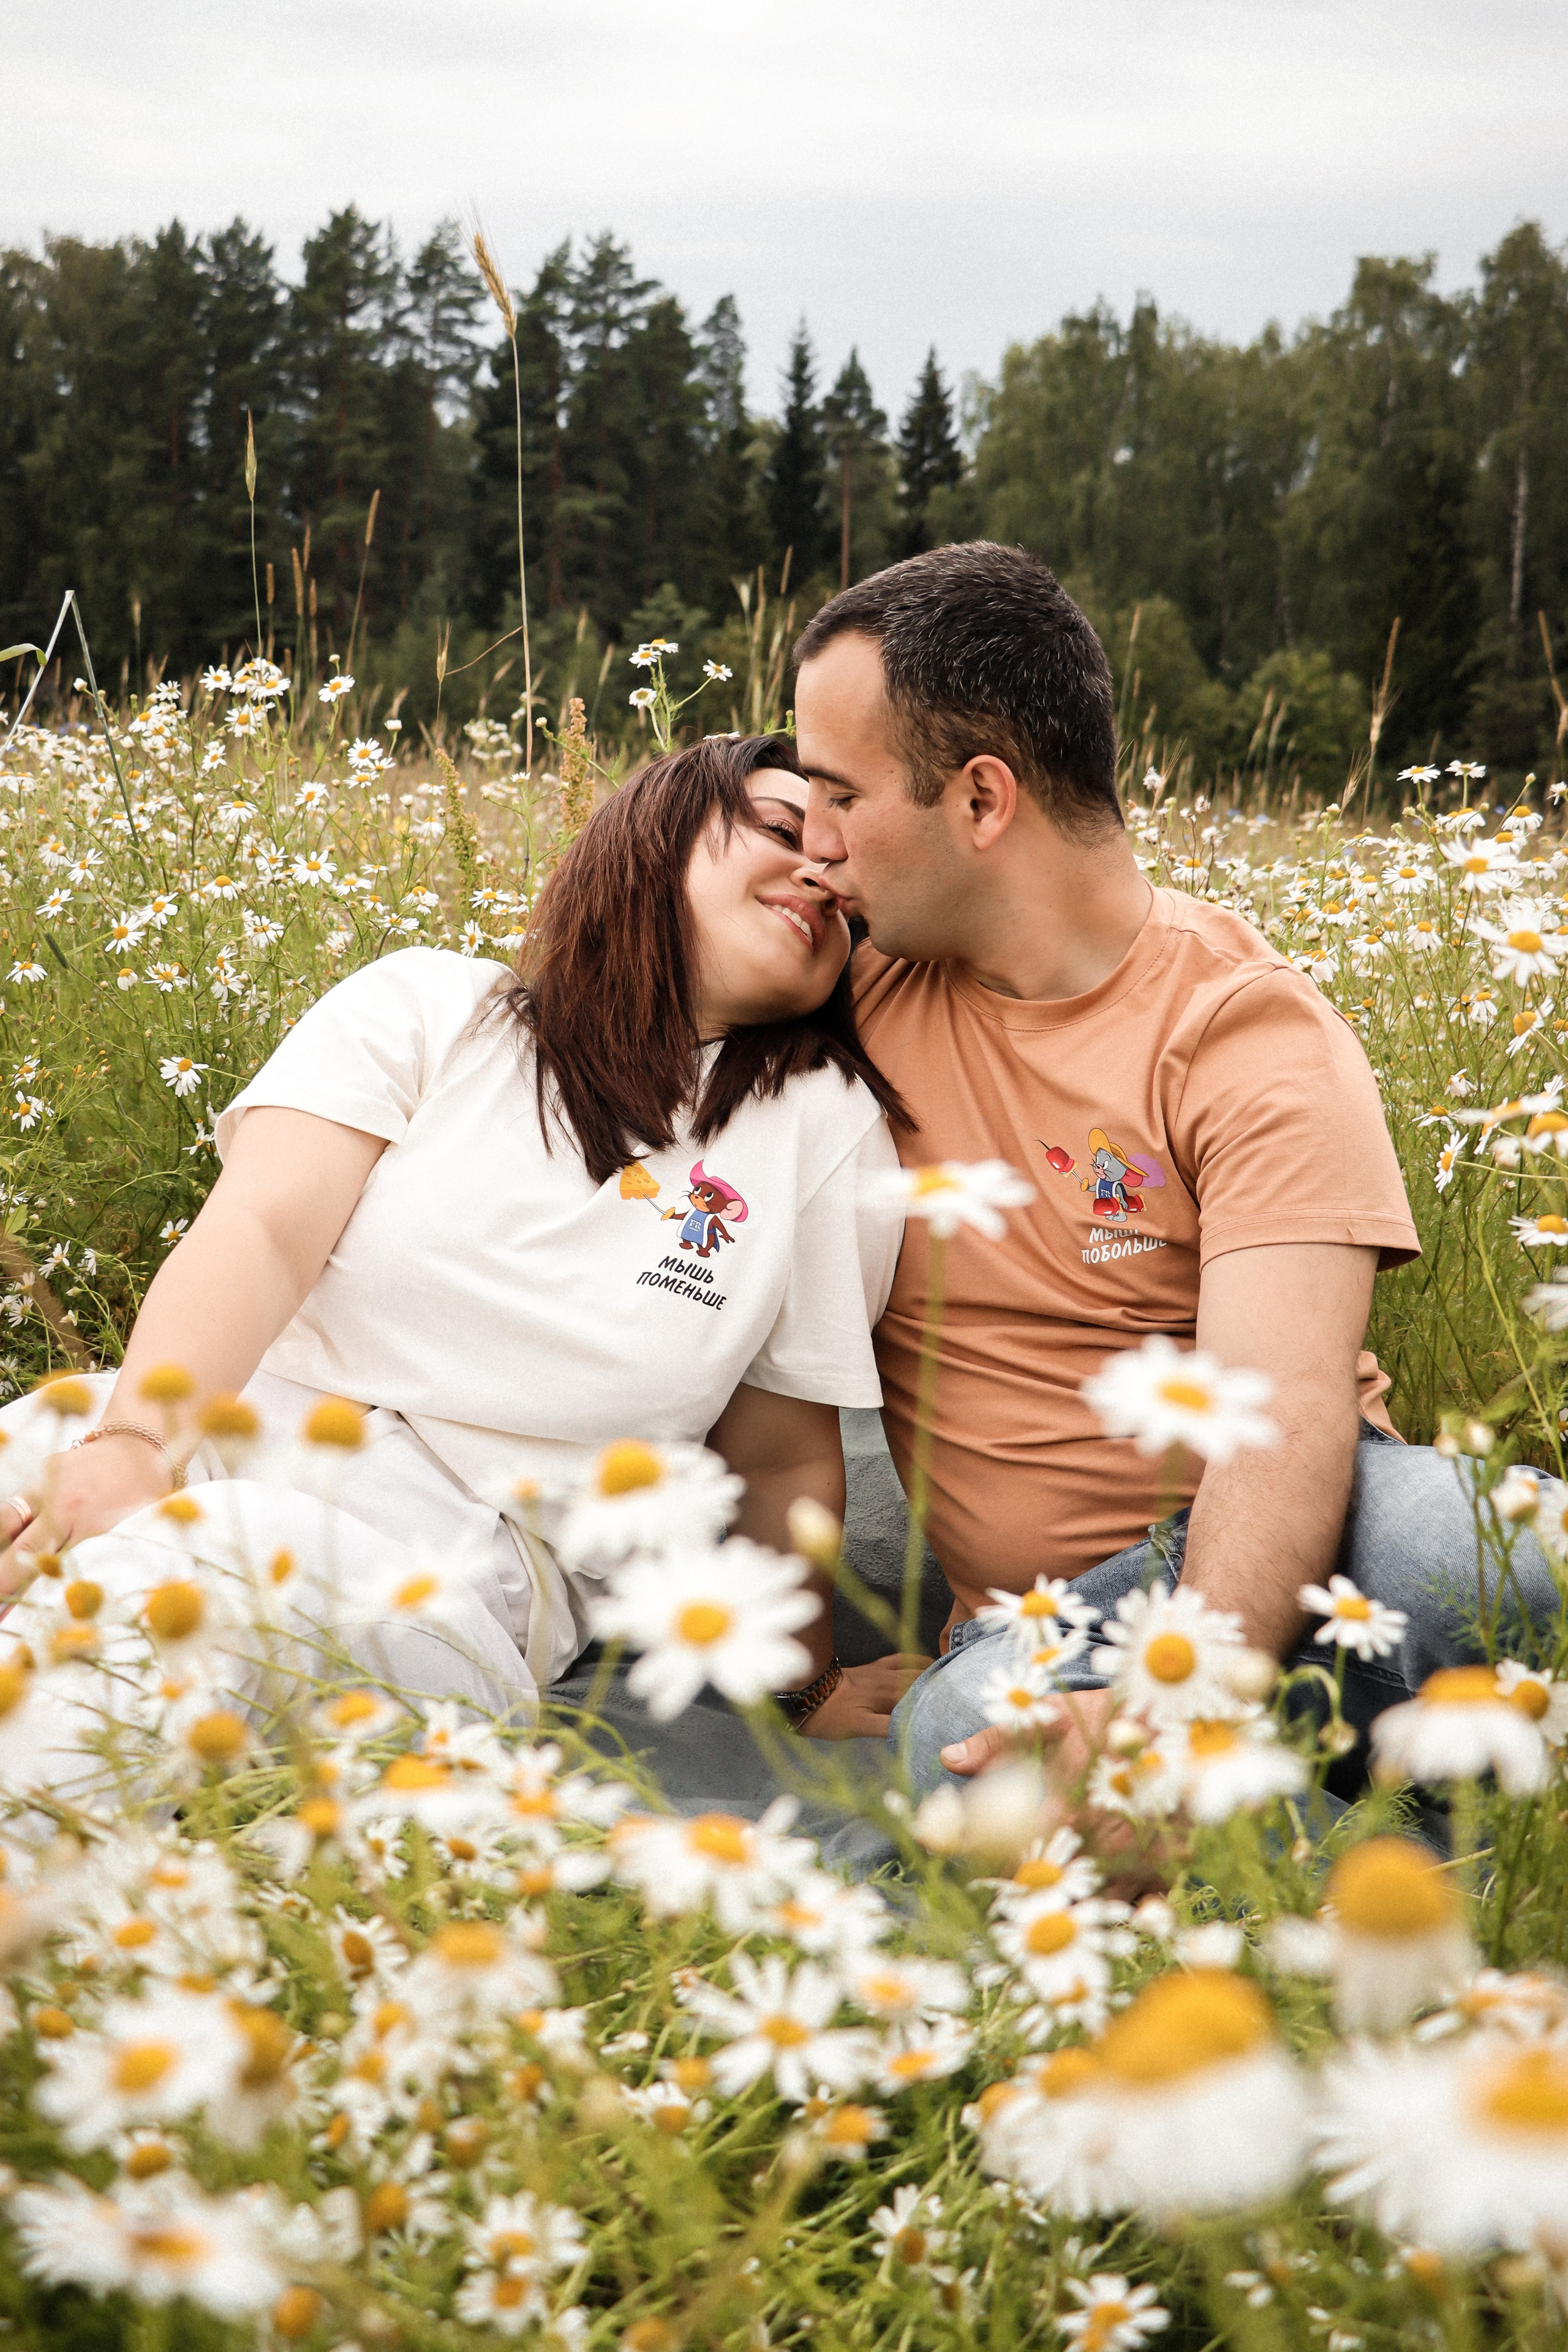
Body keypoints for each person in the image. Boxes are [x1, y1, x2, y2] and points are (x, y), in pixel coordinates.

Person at [0, 734, 923, 1804]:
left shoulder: (820, 1128)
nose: (822, 875)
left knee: (217, 1560)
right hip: (202, 1436)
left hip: (453, 1575)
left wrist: (806, 1685)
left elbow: (779, 1464)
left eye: (851, 896)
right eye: (780, 828)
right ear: (660, 827)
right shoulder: (432, 1009)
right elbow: (260, 1231)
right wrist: (129, 1448)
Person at [792, 541, 1560, 1806]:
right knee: (967, 1746)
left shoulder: (1244, 1031)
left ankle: (1287, 1766)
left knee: (1524, 1559)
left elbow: (1283, 1421)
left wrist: (1173, 1708)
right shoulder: (849, 980)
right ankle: (1357, 1786)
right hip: (1052, 1624)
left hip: (1310, 1537)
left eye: (838, 796)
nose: (814, 845)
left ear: (980, 802)